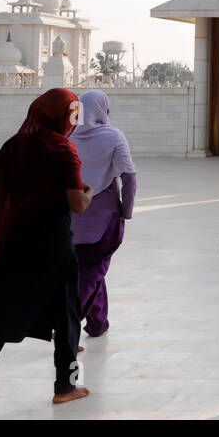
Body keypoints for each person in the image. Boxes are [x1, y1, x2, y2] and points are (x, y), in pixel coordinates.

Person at [0, 88, 93, 419]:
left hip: (14, 245)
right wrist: (89, 191)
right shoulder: (63, 150)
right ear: (60, 116)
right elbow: (77, 203)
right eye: (71, 114)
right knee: (68, 319)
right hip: (54, 247)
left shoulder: (12, 147)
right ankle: (65, 388)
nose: (73, 120)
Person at [69, 90, 137, 339]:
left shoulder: (68, 136)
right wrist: (126, 211)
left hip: (73, 219)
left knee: (89, 270)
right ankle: (67, 323)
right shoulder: (113, 136)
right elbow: (129, 177)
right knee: (90, 274)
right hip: (105, 221)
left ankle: (98, 323)